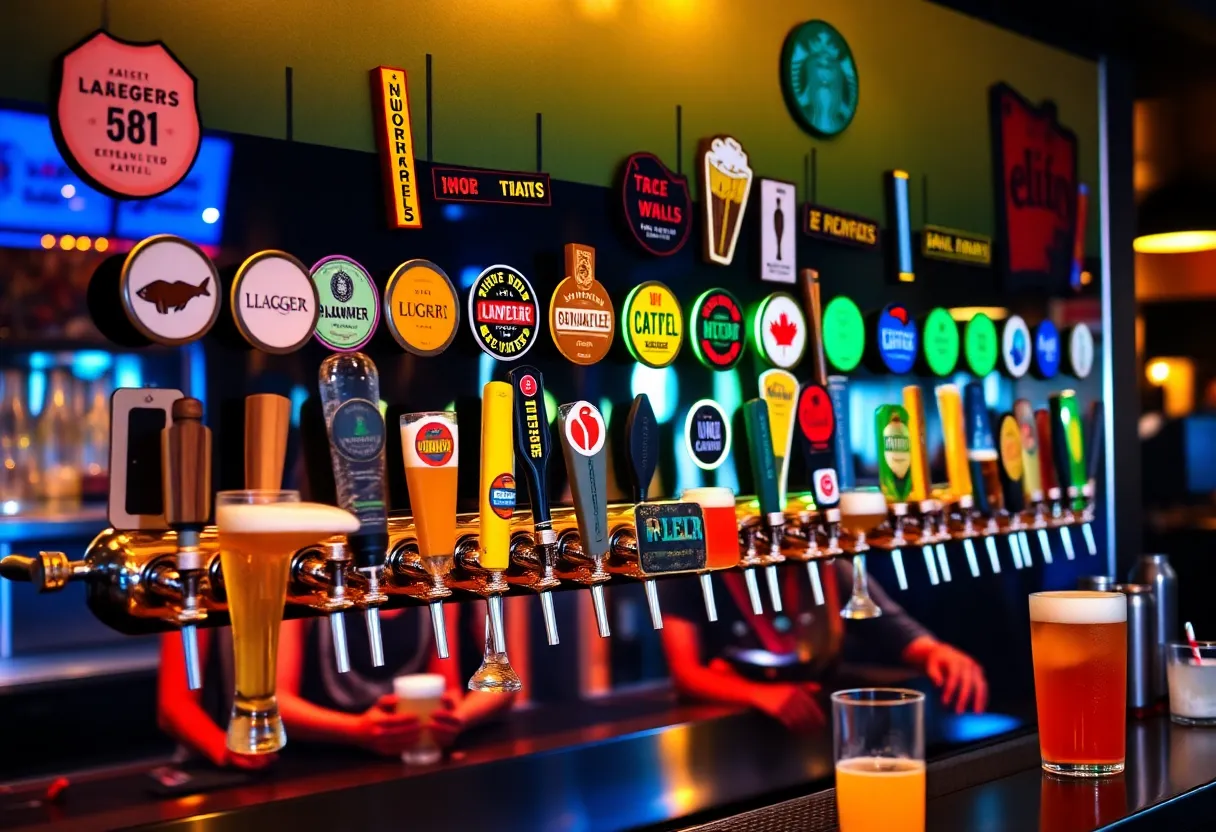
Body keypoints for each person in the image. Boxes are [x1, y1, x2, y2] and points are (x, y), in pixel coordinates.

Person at [660, 559, 988, 732]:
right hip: (728, 745)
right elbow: (685, 673)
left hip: (819, 734)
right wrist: (761, 694)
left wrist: (937, 652)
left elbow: (895, 631)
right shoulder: (694, 572)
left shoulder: (828, 566)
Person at [276, 602, 515, 756]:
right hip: (322, 766)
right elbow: (278, 703)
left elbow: (446, 689)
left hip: (411, 762)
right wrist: (357, 730)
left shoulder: (429, 578)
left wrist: (453, 719)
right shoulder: (306, 582)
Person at [157, 630, 276, 770]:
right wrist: (223, 745)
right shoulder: (189, 610)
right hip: (213, 764)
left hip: (286, 759)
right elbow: (175, 704)